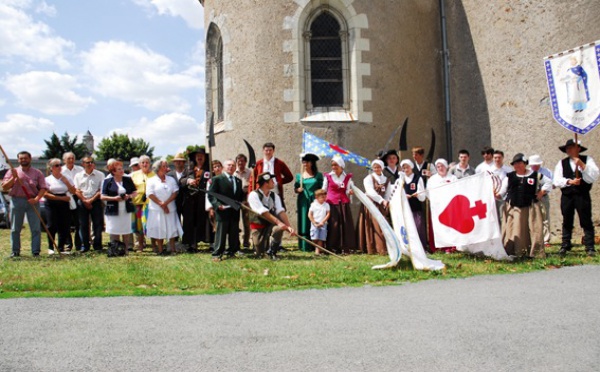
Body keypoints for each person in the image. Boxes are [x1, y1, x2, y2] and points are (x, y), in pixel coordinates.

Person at [500, 153, 552, 258]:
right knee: (515, 229)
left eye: (520, 163)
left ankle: (535, 252)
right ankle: (516, 251)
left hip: (531, 206)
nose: (517, 165)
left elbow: (549, 182)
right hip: (515, 207)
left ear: (525, 164)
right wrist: (497, 194)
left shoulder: (535, 175)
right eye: (515, 164)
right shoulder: (510, 177)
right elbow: (503, 191)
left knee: (534, 228)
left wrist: (542, 192)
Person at [553, 139, 599, 256]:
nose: (569, 150)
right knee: (567, 219)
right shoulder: (562, 163)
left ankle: (589, 246)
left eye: (571, 147)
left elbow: (594, 176)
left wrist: (583, 166)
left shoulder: (587, 160)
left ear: (578, 148)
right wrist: (570, 181)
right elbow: (557, 180)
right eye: (567, 148)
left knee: (585, 219)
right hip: (568, 195)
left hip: (582, 194)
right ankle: (565, 244)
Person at [1, 151, 47, 257]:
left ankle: (36, 251)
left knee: (35, 228)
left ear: (30, 159)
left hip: (32, 201)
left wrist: (36, 199)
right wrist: (14, 178)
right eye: (21, 158)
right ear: (18, 160)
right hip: (17, 201)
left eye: (25, 158)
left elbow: (43, 188)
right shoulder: (12, 171)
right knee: (15, 228)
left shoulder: (37, 173)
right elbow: (5, 187)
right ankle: (15, 251)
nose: (23, 160)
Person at [248, 172, 295, 260]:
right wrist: (279, 222)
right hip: (258, 225)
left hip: (270, 224)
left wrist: (289, 227)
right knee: (260, 253)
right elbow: (263, 212)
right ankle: (260, 248)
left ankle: (272, 252)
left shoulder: (275, 196)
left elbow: (280, 211)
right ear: (266, 183)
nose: (274, 182)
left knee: (278, 229)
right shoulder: (253, 195)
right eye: (271, 181)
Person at [208, 159, 245, 261]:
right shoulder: (217, 179)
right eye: (228, 165)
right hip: (222, 211)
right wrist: (217, 205)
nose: (231, 167)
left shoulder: (238, 181)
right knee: (221, 233)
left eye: (233, 165)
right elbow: (211, 195)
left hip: (234, 211)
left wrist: (242, 201)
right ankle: (217, 253)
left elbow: (239, 196)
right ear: (224, 167)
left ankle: (233, 250)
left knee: (234, 232)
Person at [179, 145, 212, 252]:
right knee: (190, 222)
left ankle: (206, 241)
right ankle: (191, 244)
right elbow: (181, 181)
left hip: (203, 200)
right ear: (195, 158)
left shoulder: (209, 169)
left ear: (205, 157)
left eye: (201, 156)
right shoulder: (189, 169)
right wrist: (188, 180)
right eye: (198, 156)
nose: (199, 158)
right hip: (190, 200)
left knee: (204, 222)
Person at [146, 160, 182, 255]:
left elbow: (175, 192)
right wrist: (161, 204)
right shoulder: (151, 180)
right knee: (159, 228)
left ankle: (172, 249)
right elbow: (150, 194)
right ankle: (161, 250)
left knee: (172, 228)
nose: (167, 167)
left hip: (170, 208)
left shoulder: (171, 179)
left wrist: (166, 203)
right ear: (158, 168)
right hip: (156, 210)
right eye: (164, 166)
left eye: (166, 165)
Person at [356, 159, 391, 255]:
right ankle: (374, 248)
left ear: (382, 168)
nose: (377, 169)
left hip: (381, 205)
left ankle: (383, 247)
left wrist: (387, 201)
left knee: (382, 225)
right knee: (373, 226)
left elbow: (388, 192)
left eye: (379, 167)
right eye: (375, 167)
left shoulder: (386, 180)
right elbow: (370, 192)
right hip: (371, 204)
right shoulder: (368, 178)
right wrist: (381, 200)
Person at [101, 160, 136, 253]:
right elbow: (102, 196)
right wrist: (114, 198)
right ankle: (115, 249)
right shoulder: (107, 181)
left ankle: (126, 249)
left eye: (122, 168)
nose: (122, 171)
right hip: (113, 209)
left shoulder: (128, 180)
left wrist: (129, 196)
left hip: (125, 209)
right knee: (114, 229)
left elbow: (134, 192)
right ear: (113, 171)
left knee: (126, 229)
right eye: (119, 169)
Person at [323, 155, 356, 254]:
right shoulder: (328, 176)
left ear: (341, 166)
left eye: (336, 165)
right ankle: (332, 247)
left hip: (343, 204)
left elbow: (347, 190)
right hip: (332, 203)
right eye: (332, 165)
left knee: (345, 224)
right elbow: (324, 189)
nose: (333, 167)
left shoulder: (347, 177)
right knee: (334, 225)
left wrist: (349, 192)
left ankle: (345, 247)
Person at [44, 158, 77, 254]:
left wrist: (66, 182)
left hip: (64, 203)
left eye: (60, 165)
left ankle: (61, 247)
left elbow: (73, 191)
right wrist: (61, 198)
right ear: (51, 168)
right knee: (51, 225)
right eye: (56, 165)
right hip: (51, 203)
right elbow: (45, 194)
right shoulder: (47, 179)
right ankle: (51, 247)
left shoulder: (66, 177)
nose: (59, 167)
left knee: (64, 225)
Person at [73, 156, 105, 253]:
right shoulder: (78, 176)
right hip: (82, 201)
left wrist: (91, 200)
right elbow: (76, 190)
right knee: (83, 225)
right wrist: (84, 200)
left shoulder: (100, 175)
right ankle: (85, 245)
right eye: (88, 163)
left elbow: (101, 190)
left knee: (98, 225)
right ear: (83, 164)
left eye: (91, 162)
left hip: (95, 201)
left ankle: (97, 245)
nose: (90, 164)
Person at [249, 142, 294, 208]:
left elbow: (289, 177)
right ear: (263, 151)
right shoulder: (258, 164)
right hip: (261, 190)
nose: (268, 152)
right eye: (266, 150)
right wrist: (250, 193)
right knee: (262, 210)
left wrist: (279, 181)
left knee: (276, 210)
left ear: (273, 151)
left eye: (270, 150)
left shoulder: (279, 163)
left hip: (274, 190)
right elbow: (252, 180)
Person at [294, 153, 323, 252]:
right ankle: (304, 245)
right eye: (303, 162)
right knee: (304, 221)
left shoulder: (318, 176)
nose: (304, 164)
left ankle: (315, 245)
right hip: (303, 201)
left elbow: (322, 188)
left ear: (311, 163)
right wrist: (298, 190)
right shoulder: (299, 176)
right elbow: (295, 188)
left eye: (306, 162)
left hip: (315, 201)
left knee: (315, 221)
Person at [426, 158, 457, 253]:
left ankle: (450, 247)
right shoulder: (432, 179)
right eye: (438, 166)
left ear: (446, 166)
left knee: (449, 228)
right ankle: (437, 247)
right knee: (438, 227)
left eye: (442, 166)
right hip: (437, 208)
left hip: (449, 207)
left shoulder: (453, 178)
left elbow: (456, 190)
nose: (440, 168)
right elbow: (428, 193)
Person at [401, 159, 427, 248]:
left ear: (411, 167)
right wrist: (404, 195)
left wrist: (418, 194)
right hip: (405, 207)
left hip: (416, 207)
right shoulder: (401, 179)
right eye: (404, 168)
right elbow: (397, 192)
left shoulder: (417, 178)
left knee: (418, 226)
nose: (406, 169)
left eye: (407, 167)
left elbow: (422, 193)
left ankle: (420, 247)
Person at [130, 155, 154, 252]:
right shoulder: (134, 175)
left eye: (147, 162)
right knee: (139, 226)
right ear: (139, 164)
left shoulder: (154, 175)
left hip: (151, 204)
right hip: (138, 204)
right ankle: (140, 245)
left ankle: (154, 245)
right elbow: (130, 188)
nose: (145, 164)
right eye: (142, 162)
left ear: (150, 164)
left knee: (152, 225)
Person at [528, 154, 553, 246]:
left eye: (536, 164)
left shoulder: (546, 172)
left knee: (545, 217)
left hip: (543, 197)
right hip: (531, 198)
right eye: (533, 164)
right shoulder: (528, 173)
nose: (534, 166)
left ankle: (545, 239)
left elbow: (551, 183)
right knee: (532, 218)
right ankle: (533, 238)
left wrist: (542, 192)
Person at [61, 152, 83, 251]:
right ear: (64, 160)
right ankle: (68, 243)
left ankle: (79, 244)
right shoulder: (60, 170)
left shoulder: (80, 170)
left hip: (77, 196)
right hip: (65, 197)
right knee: (66, 222)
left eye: (72, 158)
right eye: (68, 158)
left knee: (79, 221)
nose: (71, 160)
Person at [234, 153, 252, 248]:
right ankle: (236, 242)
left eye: (242, 161)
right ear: (236, 162)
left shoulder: (250, 172)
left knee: (247, 221)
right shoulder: (233, 172)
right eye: (239, 161)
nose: (240, 162)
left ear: (245, 162)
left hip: (246, 198)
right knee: (235, 221)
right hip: (236, 198)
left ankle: (246, 242)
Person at [308, 189, 330, 255]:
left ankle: (317, 251)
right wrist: (314, 222)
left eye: (325, 197)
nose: (324, 199)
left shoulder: (326, 205)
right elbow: (310, 214)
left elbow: (328, 214)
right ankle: (318, 248)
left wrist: (323, 222)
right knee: (315, 237)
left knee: (321, 238)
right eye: (322, 197)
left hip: (323, 223)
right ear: (316, 197)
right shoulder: (313, 205)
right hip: (315, 223)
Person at [167, 153, 187, 223]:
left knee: (187, 224)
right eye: (176, 161)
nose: (178, 162)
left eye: (180, 161)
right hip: (174, 202)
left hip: (186, 203)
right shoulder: (169, 175)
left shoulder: (189, 173)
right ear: (174, 163)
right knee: (175, 223)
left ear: (184, 162)